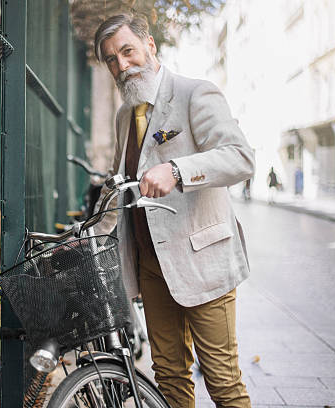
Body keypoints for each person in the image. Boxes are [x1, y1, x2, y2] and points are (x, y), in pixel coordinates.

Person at [93, 14, 254, 408]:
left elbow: (239, 158)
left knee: (222, 382)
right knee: (169, 378)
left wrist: (178, 170)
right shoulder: (123, 117)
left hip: (204, 262)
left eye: (127, 51)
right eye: (111, 59)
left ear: (150, 45)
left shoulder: (196, 94)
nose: (121, 65)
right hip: (151, 268)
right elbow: (120, 185)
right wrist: (92, 230)